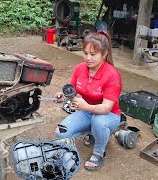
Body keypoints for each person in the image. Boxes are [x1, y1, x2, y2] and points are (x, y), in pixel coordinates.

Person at [54, 30, 123, 171]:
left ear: (104, 54)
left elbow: (106, 108)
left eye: (93, 54)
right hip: (87, 111)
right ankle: (93, 133)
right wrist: (63, 96)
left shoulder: (112, 75)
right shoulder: (79, 69)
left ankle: (99, 152)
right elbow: (71, 90)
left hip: (108, 115)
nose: (88, 58)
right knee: (61, 133)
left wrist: (85, 107)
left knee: (99, 122)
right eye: (85, 53)